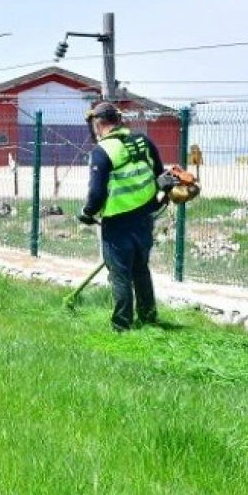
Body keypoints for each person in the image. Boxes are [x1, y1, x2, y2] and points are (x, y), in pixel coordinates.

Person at [77, 102, 163, 332]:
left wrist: (87, 213)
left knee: (120, 274)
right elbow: (159, 174)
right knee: (141, 268)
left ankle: (121, 326)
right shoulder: (143, 141)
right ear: (118, 119)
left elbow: (96, 193)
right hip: (145, 217)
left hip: (117, 222)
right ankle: (148, 316)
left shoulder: (102, 151)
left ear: (98, 124)